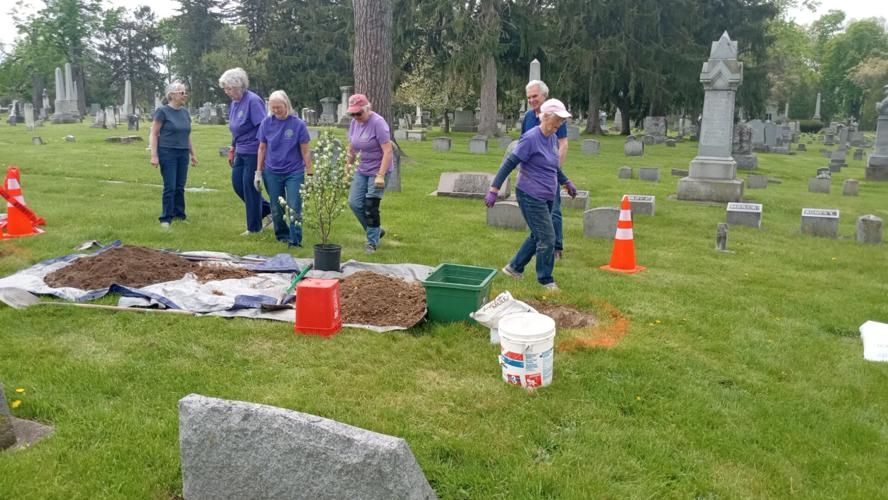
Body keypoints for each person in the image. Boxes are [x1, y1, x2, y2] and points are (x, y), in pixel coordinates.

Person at [486, 99, 577, 291]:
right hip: (530, 193)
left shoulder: (552, 137)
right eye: (557, 121)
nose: (559, 126)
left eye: (561, 121)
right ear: (545, 117)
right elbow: (509, 163)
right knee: (548, 237)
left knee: (538, 234)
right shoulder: (531, 138)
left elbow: (552, 166)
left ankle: (514, 267)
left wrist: (566, 181)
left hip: (548, 194)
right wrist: (494, 189)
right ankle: (546, 280)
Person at [256, 90, 313, 247]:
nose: (275, 111)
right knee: (276, 206)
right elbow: (262, 148)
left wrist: (310, 172)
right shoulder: (266, 123)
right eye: (272, 107)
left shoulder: (298, 124)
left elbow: (305, 150)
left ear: (286, 105)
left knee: (294, 206)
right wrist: (258, 172)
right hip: (272, 171)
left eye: (278, 107)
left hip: (294, 172)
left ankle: (295, 240)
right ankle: (282, 235)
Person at [219, 68, 272, 235]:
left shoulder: (253, 101)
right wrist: (232, 148)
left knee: (250, 187)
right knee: (238, 185)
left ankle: (254, 228)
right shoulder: (234, 103)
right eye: (225, 89)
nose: (227, 92)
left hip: (253, 150)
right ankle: (272, 211)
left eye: (229, 88)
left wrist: (262, 153)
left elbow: (263, 128)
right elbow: (235, 129)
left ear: (239, 86)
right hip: (240, 149)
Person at [523, 80, 570, 260]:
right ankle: (540, 243)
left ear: (544, 96)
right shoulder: (528, 117)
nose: (532, 100)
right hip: (531, 175)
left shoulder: (554, 114)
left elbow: (563, 142)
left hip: (550, 171)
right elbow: (524, 143)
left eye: (535, 96)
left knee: (554, 209)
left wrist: (556, 169)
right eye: (529, 97)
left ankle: (556, 247)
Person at [345, 94, 393, 254]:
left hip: (378, 170)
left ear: (367, 109)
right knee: (354, 203)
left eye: (359, 113)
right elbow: (351, 149)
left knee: (371, 206)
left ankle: (372, 243)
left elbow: (387, 151)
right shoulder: (354, 123)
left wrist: (380, 175)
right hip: (362, 169)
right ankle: (376, 230)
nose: (356, 117)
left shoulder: (378, 123)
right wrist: (346, 171)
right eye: (353, 114)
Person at [150, 81, 197, 229]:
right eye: (182, 93)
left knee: (180, 186)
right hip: (167, 151)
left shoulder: (184, 112)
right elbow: (154, 133)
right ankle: (165, 218)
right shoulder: (162, 112)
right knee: (170, 186)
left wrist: (193, 154)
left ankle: (180, 215)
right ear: (172, 95)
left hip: (182, 153)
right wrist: (154, 155)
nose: (185, 95)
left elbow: (187, 134)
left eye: (185, 92)